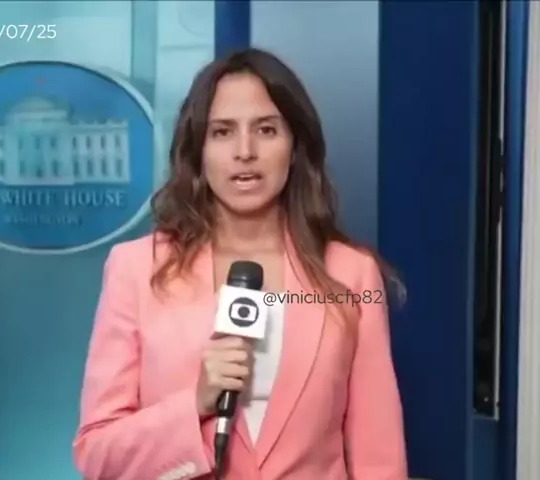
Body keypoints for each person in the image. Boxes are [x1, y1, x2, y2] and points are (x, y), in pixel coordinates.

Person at [73, 48, 408, 480]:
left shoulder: (351, 274)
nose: (245, 151)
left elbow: (379, 459)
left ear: (295, 146)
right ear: (198, 149)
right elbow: (97, 454)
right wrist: (195, 402)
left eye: (266, 130)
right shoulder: (136, 268)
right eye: (223, 132)